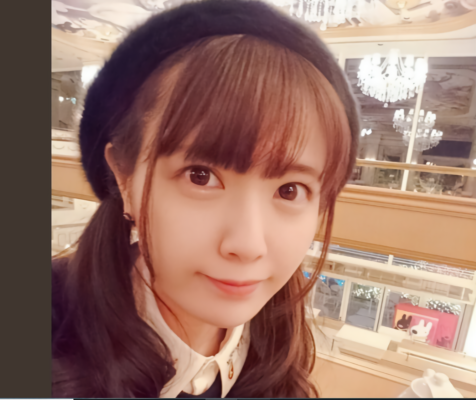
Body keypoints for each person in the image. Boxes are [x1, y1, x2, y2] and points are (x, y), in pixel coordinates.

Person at [52, 0, 359, 397]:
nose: (247, 245)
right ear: (124, 178)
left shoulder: (277, 352)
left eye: (290, 190)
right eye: (201, 176)